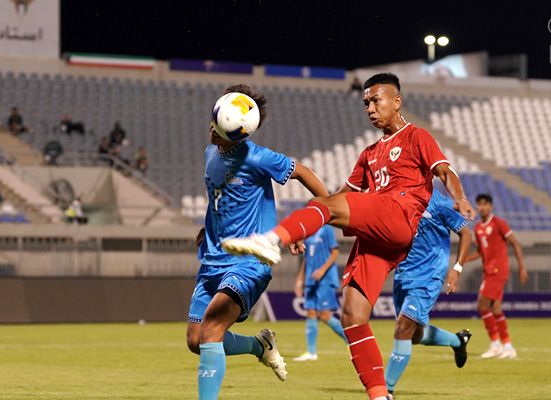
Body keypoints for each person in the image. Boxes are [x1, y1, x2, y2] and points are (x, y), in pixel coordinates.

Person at [222, 73, 475, 400]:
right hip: (379, 238)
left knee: (324, 207)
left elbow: (445, 170)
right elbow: (340, 197)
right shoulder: (369, 154)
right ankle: (380, 394)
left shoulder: (416, 136)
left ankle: (272, 240)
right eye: (366, 103)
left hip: (398, 215)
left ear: (396, 101)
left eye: (376, 100)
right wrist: (309, 223)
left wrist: (461, 196)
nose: (370, 108)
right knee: (353, 315)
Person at [186, 84, 329, 400]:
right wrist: (207, 228)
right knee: (197, 341)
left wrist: (317, 215)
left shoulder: (258, 157)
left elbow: (303, 172)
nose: (212, 130)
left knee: (211, 328)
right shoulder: (211, 153)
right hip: (213, 257)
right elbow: (219, 199)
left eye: (219, 128)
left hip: (250, 261)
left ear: (238, 133)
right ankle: (259, 345)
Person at [384, 190, 472, 397]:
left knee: (403, 327)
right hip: (403, 274)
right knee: (414, 335)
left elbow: (465, 234)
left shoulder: (439, 202)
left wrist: (457, 268)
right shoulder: (397, 197)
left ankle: (385, 390)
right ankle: (458, 341)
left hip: (429, 274)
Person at [465, 193, 528, 359]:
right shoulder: (478, 228)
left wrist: (522, 267)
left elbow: (515, 243)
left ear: (490, 206)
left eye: (485, 204)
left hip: (498, 271)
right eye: (479, 204)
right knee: (496, 308)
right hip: (488, 271)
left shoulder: (499, 223)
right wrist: (464, 259)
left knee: (482, 306)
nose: (482, 207)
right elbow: (480, 251)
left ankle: (495, 343)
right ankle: (507, 345)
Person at [293, 224, 347, 362]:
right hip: (311, 279)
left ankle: (352, 342)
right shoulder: (308, 232)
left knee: (324, 315)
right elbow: (307, 258)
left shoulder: (327, 230)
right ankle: (311, 352)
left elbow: (335, 252)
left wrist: (322, 270)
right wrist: (300, 279)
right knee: (310, 312)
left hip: (325, 279)